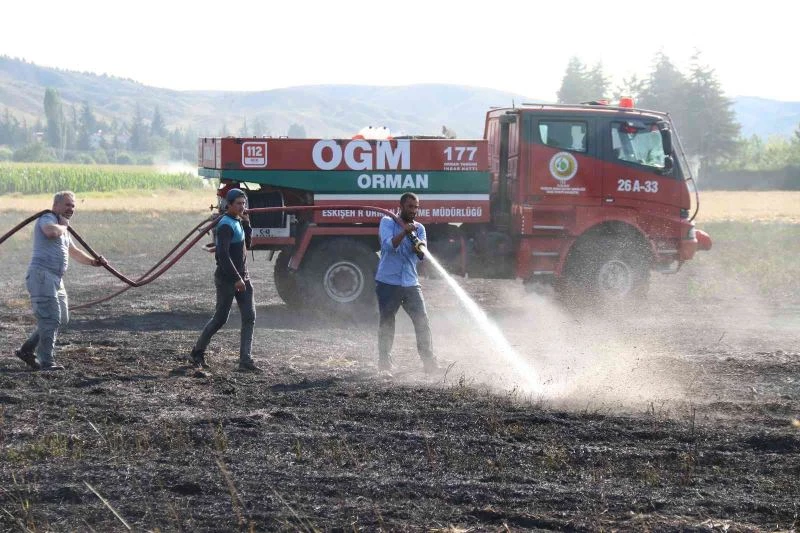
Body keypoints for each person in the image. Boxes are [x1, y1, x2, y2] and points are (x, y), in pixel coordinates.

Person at [15, 191, 107, 371]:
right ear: (56, 205)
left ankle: (26, 350)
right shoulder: (47, 218)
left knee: (61, 319)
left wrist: (94, 262)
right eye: (67, 205)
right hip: (42, 276)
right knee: (50, 319)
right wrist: (64, 226)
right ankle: (46, 362)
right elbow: (50, 232)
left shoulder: (63, 227)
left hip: (56, 279)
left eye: (73, 206)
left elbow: (73, 251)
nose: (71, 209)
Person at [189, 188, 260, 372]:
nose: (242, 206)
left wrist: (247, 223)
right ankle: (197, 352)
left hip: (243, 278)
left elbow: (248, 245)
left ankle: (245, 360)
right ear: (228, 205)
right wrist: (236, 279)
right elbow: (223, 254)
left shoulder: (238, 221)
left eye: (244, 203)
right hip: (228, 279)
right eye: (238, 203)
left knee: (249, 317)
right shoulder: (226, 225)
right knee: (220, 319)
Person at [375, 192, 440, 374]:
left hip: (410, 283)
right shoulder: (387, 222)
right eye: (410, 207)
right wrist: (404, 231)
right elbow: (388, 246)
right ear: (401, 206)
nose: (413, 211)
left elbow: (421, 254)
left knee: (422, 321)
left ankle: (429, 362)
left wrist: (417, 246)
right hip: (388, 282)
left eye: (416, 207)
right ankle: (384, 363)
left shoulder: (419, 228)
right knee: (387, 321)